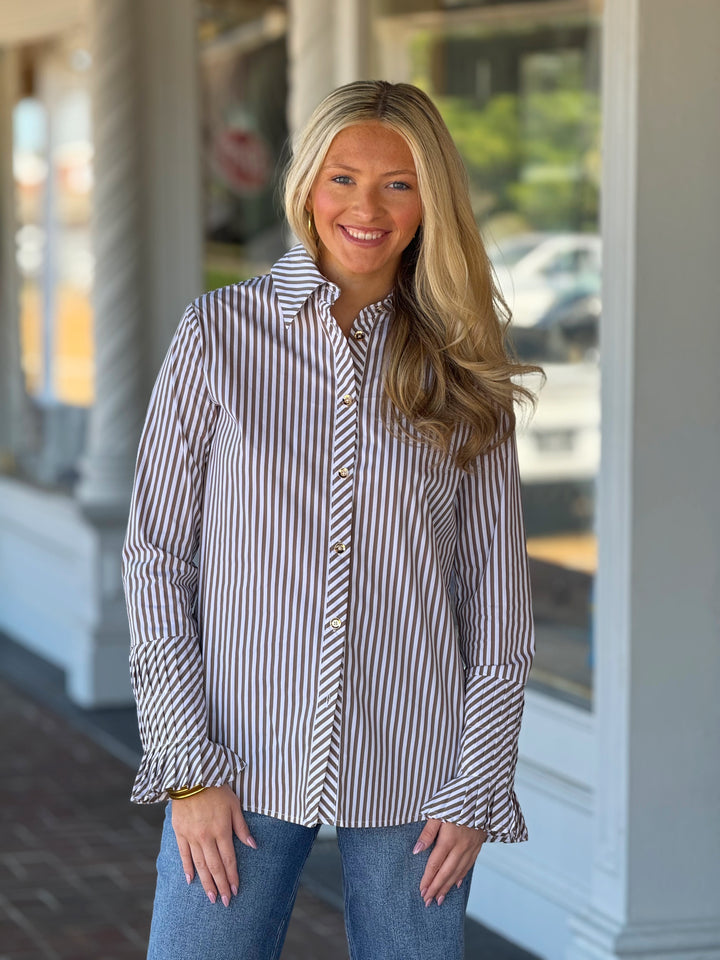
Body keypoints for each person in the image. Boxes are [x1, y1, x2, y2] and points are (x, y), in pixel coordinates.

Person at [122, 80, 540, 960]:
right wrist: (185, 768)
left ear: (431, 201)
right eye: (343, 178)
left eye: (399, 183)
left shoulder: (463, 373)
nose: (367, 208)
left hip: (421, 776)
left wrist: (477, 784)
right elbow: (158, 560)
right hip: (236, 753)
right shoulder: (216, 337)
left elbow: (498, 601)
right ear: (307, 185)